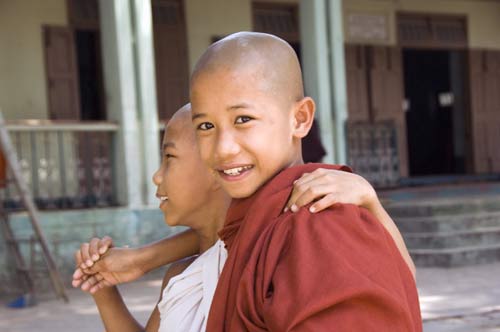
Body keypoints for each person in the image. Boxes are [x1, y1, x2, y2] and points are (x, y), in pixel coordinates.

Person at [73, 104, 412, 331]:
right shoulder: (182, 275)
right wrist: (105, 291)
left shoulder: (280, 251)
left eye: (169, 158)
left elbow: (397, 283)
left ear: (215, 167)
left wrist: (370, 202)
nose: (157, 177)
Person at [189, 32, 422, 331]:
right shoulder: (258, 215)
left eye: (243, 119)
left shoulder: (317, 222)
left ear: (300, 119)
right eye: (206, 126)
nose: (223, 148)